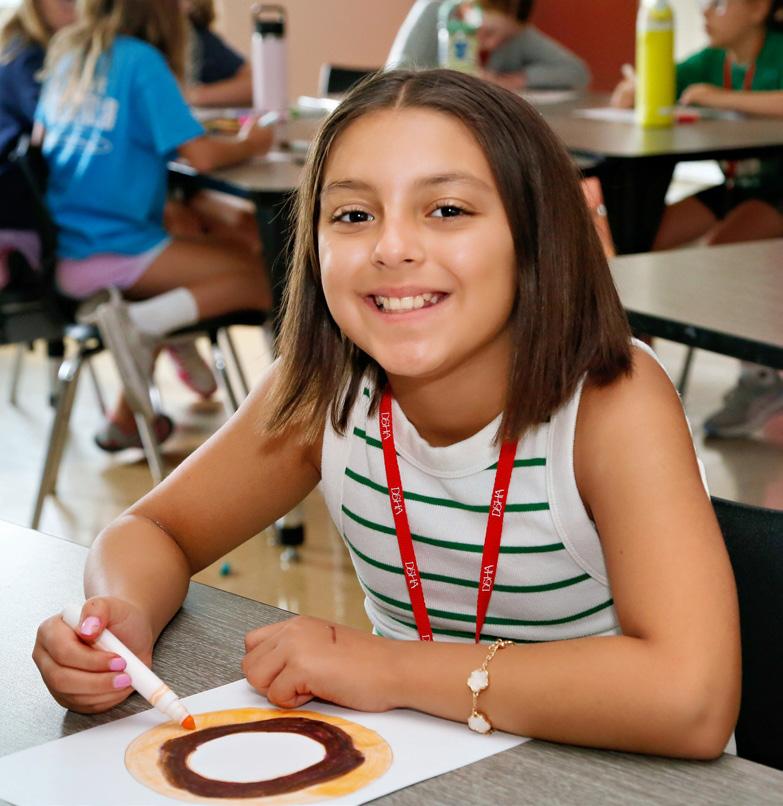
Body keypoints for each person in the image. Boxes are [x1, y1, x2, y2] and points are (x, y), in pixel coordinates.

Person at [32, 69, 739, 758]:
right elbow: (152, 529)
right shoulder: (323, 390)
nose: (391, 247)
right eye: (353, 215)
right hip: (421, 762)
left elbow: (691, 700)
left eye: (447, 210)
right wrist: (122, 615)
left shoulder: (610, 401)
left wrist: (389, 668)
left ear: (535, 233)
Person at [34, 0, 273, 451]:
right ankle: (141, 326)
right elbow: (201, 156)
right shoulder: (142, 60)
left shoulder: (71, 53)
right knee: (264, 279)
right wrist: (252, 142)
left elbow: (42, 144)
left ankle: (126, 421)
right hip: (111, 249)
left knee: (208, 245)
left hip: (68, 245)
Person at [612, 0, 783, 437]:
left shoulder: (777, 50)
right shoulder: (711, 60)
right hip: (737, 186)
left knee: (724, 249)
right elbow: (651, 86)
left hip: (778, 188)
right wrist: (636, 88)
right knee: (638, 238)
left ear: (759, 9)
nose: (705, 13)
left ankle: (761, 379)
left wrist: (715, 97)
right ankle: (636, 365)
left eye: (719, 3)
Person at [0, 0, 76, 290]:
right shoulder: (29, 57)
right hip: (18, 202)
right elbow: (60, 127)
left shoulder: (18, 45)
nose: (76, 8)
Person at [387, 0, 591, 91]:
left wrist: (515, 80)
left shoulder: (516, 30)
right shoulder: (434, 11)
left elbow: (577, 71)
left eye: (505, 38)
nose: (493, 44)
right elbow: (395, 75)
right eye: (488, 32)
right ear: (468, 8)